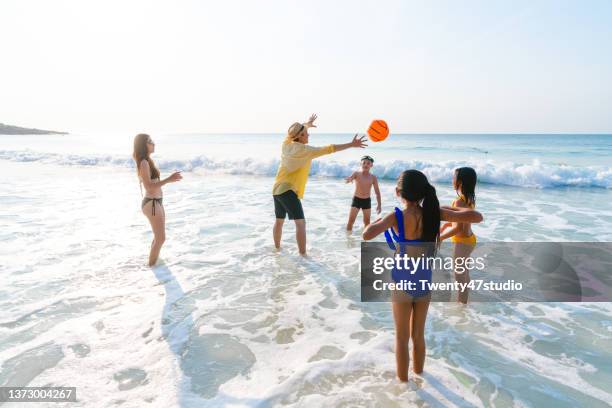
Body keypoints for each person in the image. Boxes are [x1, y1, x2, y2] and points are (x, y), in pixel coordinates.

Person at [362, 169, 483, 382]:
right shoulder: (432, 214)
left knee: (401, 338)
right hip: (423, 283)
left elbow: (367, 234)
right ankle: (419, 376)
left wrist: (375, 222)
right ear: (423, 193)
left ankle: (404, 388)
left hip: (401, 283)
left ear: (398, 192)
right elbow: (477, 216)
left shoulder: (396, 216)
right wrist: (442, 210)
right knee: (418, 335)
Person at [272, 114, 367, 255]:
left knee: (279, 221)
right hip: (288, 190)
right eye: (306, 134)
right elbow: (330, 148)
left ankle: (277, 249)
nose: (308, 135)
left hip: (277, 189)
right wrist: (351, 144)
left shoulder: (286, 144)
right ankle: (303, 255)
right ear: (300, 136)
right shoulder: (306, 151)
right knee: (300, 223)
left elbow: (297, 132)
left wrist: (307, 124)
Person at [133, 133, 182, 266]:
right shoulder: (143, 162)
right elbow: (148, 186)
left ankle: (152, 265)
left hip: (156, 203)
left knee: (158, 238)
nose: (153, 143)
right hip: (152, 203)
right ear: (144, 145)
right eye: (150, 141)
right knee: (161, 239)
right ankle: (151, 267)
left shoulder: (148, 161)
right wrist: (168, 180)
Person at [440, 167, 478, 303]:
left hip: (462, 242)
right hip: (470, 239)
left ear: (460, 182)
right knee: (465, 273)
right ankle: (465, 299)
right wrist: (445, 225)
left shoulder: (458, 201)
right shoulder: (468, 198)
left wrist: (440, 238)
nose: (452, 180)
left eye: (454, 178)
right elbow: (460, 221)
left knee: (459, 275)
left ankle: (462, 305)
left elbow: (457, 228)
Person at [345, 155, 381, 230]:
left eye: (368, 163)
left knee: (367, 222)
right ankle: (348, 239)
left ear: (371, 165)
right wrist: (349, 179)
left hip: (366, 201)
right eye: (364, 163)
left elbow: (377, 192)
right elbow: (350, 178)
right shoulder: (356, 174)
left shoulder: (373, 177)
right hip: (356, 200)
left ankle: (365, 239)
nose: (365, 165)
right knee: (351, 221)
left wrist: (379, 205)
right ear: (361, 164)